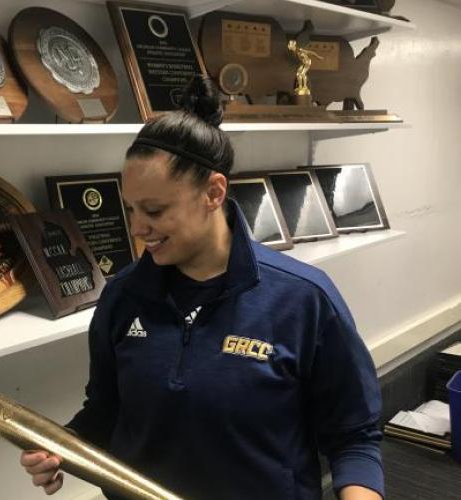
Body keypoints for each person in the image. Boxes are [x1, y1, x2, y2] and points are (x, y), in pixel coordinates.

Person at [20, 76, 384, 500]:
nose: (138, 228)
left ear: (213, 192)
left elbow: (354, 437)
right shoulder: (122, 296)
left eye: (154, 210)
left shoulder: (303, 299)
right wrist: (63, 446)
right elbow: (105, 412)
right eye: (131, 209)